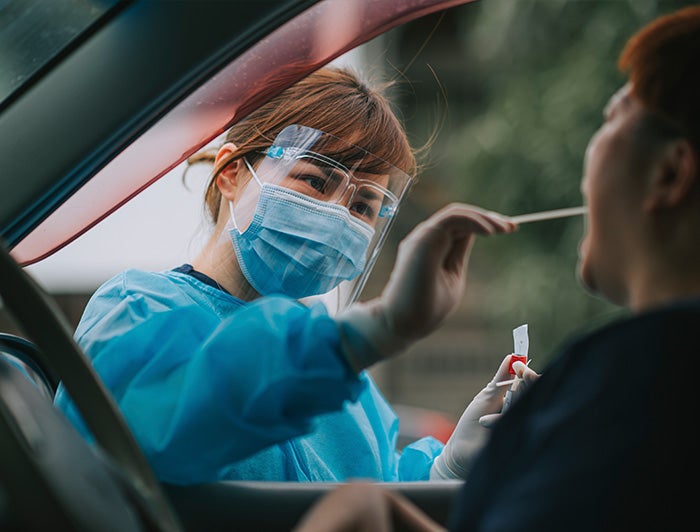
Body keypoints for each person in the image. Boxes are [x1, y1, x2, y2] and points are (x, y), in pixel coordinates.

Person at [293, 4, 700, 531]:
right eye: (314, 181)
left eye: (612, 117)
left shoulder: (637, 383)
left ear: (669, 172)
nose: (583, 172)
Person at [54, 65, 527, 485]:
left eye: (365, 205)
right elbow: (149, 443)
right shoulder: (139, 308)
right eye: (316, 181)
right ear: (232, 173)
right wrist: (361, 337)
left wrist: (447, 469)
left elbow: (382, 489)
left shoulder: (348, 384)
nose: (338, 214)